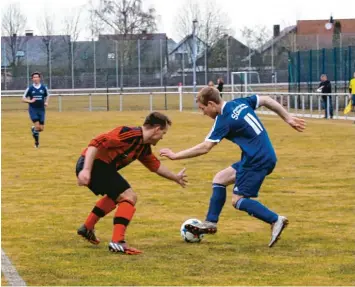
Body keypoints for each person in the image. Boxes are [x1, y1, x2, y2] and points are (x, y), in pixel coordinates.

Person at [160, 87, 305, 247]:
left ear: (211, 104)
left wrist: (175, 155)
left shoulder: (224, 120)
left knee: (238, 200)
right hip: (259, 155)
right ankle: (210, 222)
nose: (203, 113)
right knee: (220, 179)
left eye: (203, 109)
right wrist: (287, 117)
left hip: (257, 159)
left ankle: (275, 219)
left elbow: (205, 147)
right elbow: (266, 99)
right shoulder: (239, 103)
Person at [76, 112, 187, 255]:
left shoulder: (143, 147)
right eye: (163, 133)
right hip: (94, 165)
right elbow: (95, 143)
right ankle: (117, 242)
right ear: (156, 129)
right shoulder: (129, 134)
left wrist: (176, 177)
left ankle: (87, 228)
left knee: (117, 196)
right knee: (129, 197)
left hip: (102, 168)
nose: (162, 137)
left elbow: (155, 166)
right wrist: (86, 170)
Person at [22, 72, 49, 148]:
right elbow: (23, 98)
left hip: (41, 110)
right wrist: (30, 101)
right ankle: (37, 143)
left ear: (39, 78)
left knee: (41, 129)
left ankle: (33, 129)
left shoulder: (44, 87)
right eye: (34, 77)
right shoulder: (30, 88)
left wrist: (46, 102)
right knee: (37, 126)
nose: (35, 78)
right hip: (33, 109)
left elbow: (47, 95)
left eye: (37, 77)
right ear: (32, 79)